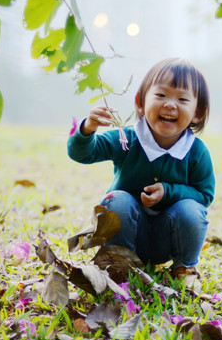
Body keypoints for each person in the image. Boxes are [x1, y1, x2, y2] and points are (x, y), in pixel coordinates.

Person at [67, 57, 214, 278]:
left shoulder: (196, 151)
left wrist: (169, 191)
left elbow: (204, 195)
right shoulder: (126, 139)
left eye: (182, 99)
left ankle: (184, 268)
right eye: (161, 95)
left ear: (198, 111)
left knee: (191, 211)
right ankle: (119, 265)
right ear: (140, 102)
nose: (170, 104)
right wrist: (88, 128)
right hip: (128, 234)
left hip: (168, 236)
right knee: (117, 200)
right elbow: (83, 154)